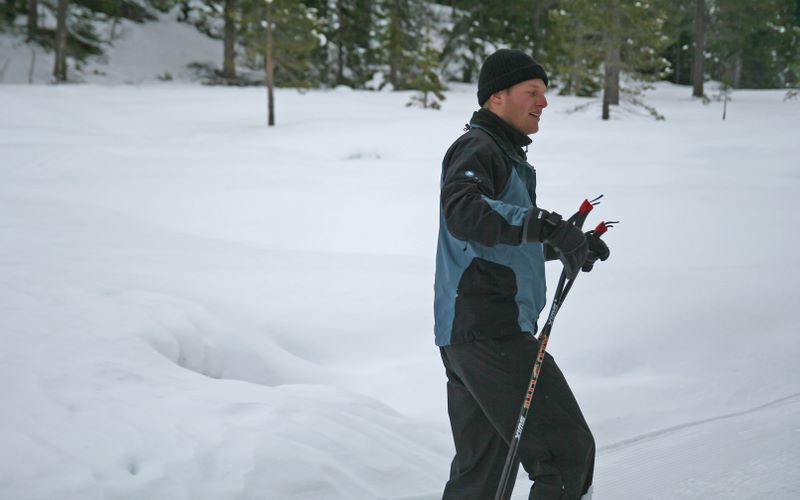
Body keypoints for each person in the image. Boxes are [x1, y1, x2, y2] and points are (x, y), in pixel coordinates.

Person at [433, 49, 610, 500]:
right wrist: (543, 224)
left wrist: (566, 243)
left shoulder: (506, 157)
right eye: (532, 92)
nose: (543, 102)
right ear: (497, 96)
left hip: (471, 335)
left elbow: (496, 242)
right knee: (566, 455)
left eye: (544, 93)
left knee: (483, 479)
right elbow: (464, 212)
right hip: (492, 331)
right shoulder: (479, 148)